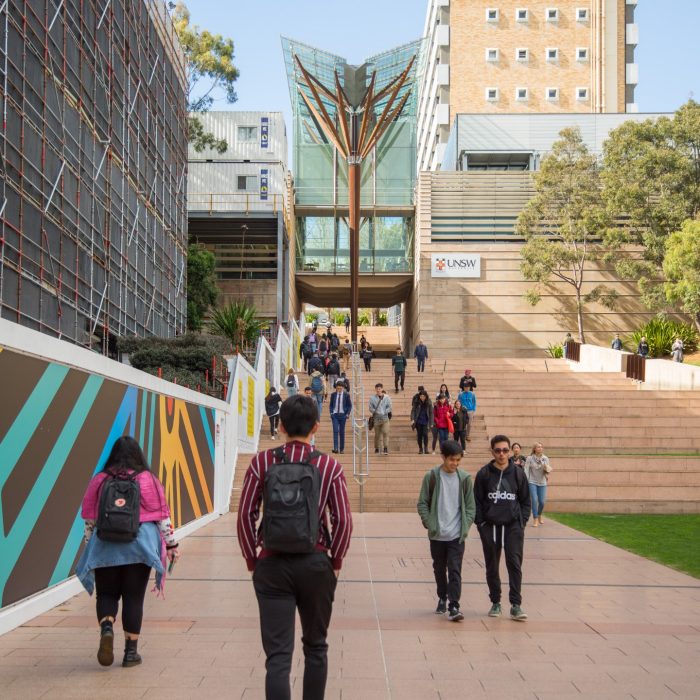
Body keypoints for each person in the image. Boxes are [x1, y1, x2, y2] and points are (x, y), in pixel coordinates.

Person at [237, 394, 353, 700]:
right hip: (316, 564)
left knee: (278, 657)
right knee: (316, 647)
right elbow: (342, 520)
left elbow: (245, 515)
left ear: (283, 426)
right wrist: (336, 561)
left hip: (272, 565)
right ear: (316, 427)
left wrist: (253, 560)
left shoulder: (261, 462)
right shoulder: (329, 466)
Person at [76, 436, 179, 668]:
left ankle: (107, 628)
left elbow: (89, 521)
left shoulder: (100, 480)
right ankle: (131, 654)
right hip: (139, 546)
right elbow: (163, 518)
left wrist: (91, 547)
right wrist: (172, 545)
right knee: (134, 597)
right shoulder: (148, 479)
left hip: (106, 544)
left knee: (107, 594)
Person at [417, 440, 476, 622]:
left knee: (455, 569)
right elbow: (422, 503)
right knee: (439, 568)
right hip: (437, 533)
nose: (455, 464)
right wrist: (430, 523)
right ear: (443, 457)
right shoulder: (432, 477)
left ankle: (454, 605)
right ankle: (442, 596)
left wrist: (465, 527)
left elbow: (470, 507)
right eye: (452, 460)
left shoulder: (465, 478)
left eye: (458, 460)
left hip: (456, 535)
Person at [474, 435, 530, 621]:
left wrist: (521, 521)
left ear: (510, 451)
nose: (502, 454)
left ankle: (516, 604)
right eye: (498, 450)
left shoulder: (518, 473)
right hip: (490, 526)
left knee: (514, 564)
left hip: (513, 526)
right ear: (492, 452)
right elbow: (477, 501)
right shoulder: (484, 474)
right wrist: (481, 524)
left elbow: (525, 501)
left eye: (505, 450)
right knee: (492, 565)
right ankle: (495, 602)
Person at [524, 442, 551, 527]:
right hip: (532, 481)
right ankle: (535, 518)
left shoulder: (545, 458)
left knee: (542, 502)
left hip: (542, 482)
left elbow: (548, 470)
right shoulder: (529, 458)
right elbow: (526, 469)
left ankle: (539, 515)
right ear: (534, 449)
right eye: (538, 447)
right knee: (534, 500)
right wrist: (526, 480)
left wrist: (546, 469)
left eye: (541, 447)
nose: (540, 448)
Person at [329, 380, 353, 454]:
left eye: (340, 388)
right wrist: (331, 413)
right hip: (335, 415)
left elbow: (350, 405)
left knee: (341, 432)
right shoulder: (333, 395)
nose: (339, 390)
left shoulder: (346, 395)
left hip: (343, 415)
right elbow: (331, 405)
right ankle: (335, 448)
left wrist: (347, 414)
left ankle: (341, 448)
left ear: (343, 388)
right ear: (336, 388)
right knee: (335, 431)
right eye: (338, 388)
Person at [369, 382, 392, 455]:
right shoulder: (372, 398)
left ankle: (385, 448)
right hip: (376, 418)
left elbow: (390, 406)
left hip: (385, 418)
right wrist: (376, 411)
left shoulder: (387, 397)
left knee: (385, 432)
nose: (378, 390)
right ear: (375, 389)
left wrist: (385, 411)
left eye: (379, 389)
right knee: (377, 435)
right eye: (377, 389)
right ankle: (377, 448)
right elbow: (370, 407)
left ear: (382, 389)